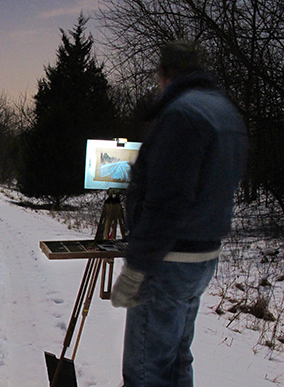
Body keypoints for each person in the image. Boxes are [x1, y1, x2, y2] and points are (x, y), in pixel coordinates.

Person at [110, 40, 248, 387]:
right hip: (204, 256)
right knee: (176, 362)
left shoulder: (182, 115)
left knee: (147, 371)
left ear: (165, 73)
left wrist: (137, 266)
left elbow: (167, 200)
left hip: (169, 260)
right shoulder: (224, 111)